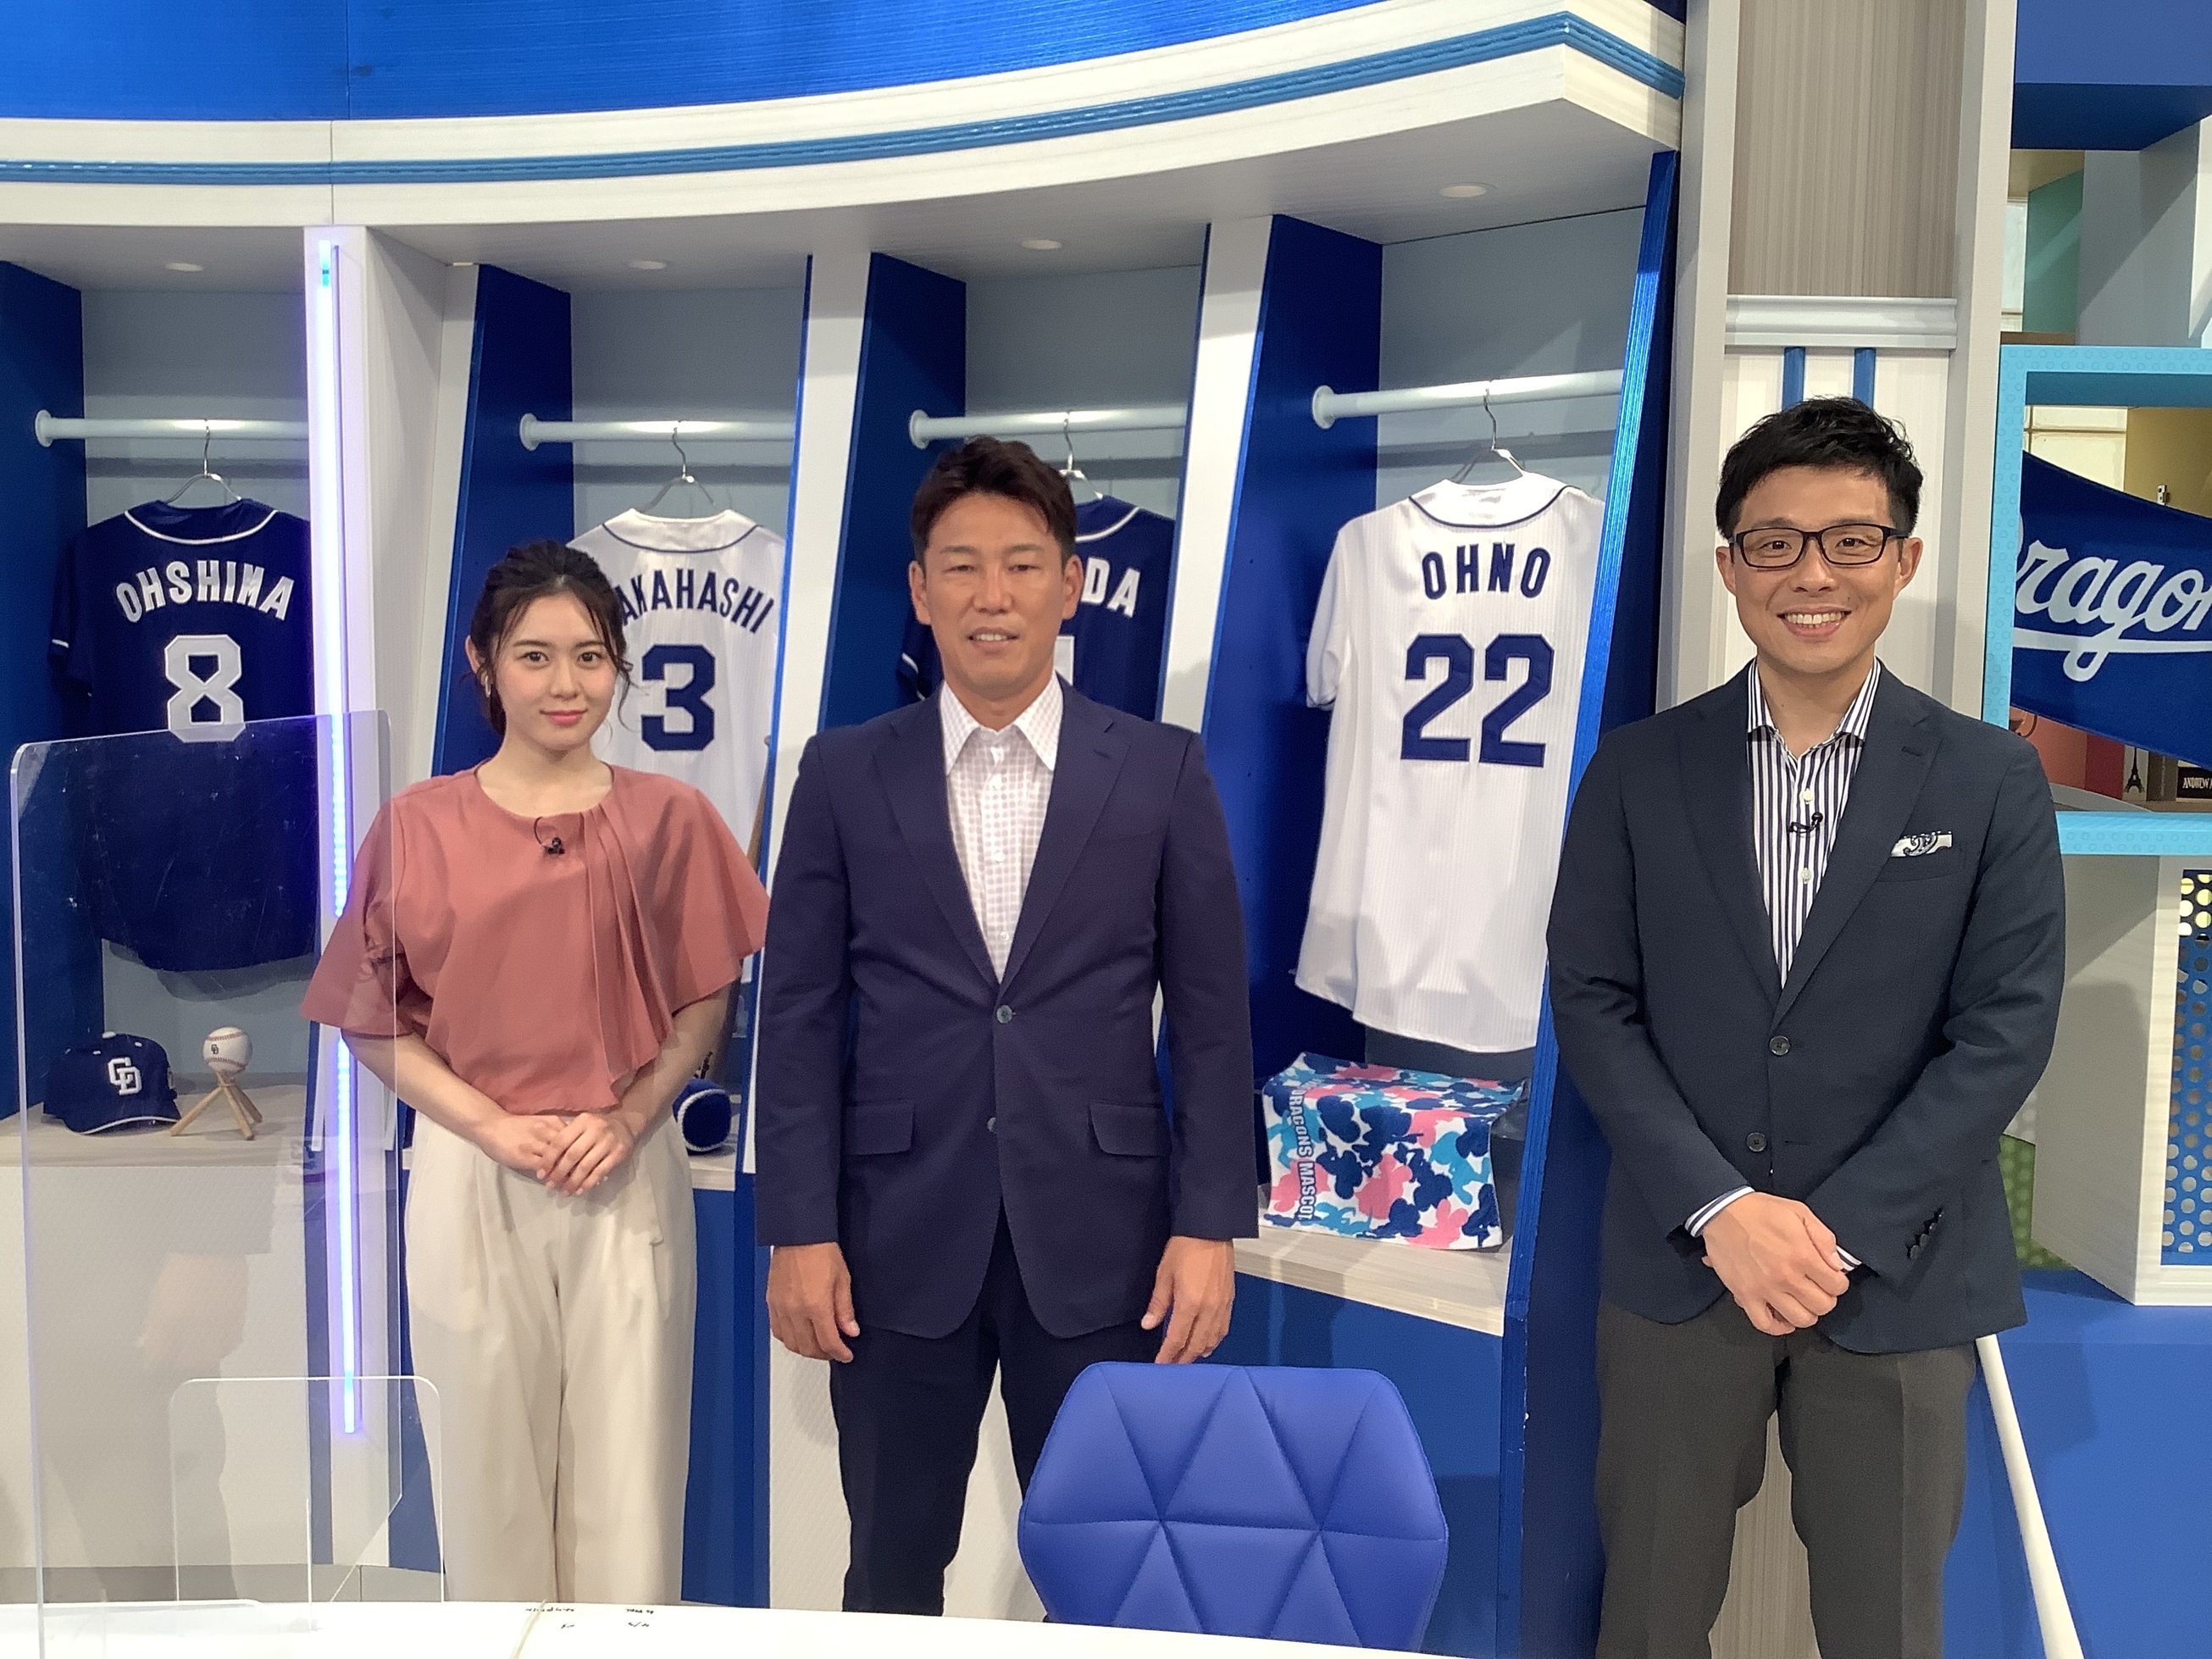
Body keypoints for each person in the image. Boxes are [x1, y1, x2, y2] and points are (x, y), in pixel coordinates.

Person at [1546, 398, 2065, 1659]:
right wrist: (1722, 1209)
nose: (1811, 574)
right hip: (1682, 1267)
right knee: (1647, 1618)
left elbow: (2003, 1028)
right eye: (1773, 543)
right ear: (1729, 565)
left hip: (1898, 1271)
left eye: (1849, 540)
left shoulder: (1987, 777)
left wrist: (1833, 1231)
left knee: (1886, 1626)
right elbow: (1592, 1000)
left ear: (1903, 558)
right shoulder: (1636, 769)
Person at [756, 437, 1256, 1615]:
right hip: (890, 1239)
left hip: (1105, 1242)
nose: (993, 594)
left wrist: (1208, 1224)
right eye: (962, 565)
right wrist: (797, 1227)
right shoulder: (841, 773)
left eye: (1023, 564)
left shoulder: (1159, 770)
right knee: (889, 1567)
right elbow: (798, 1011)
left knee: (1111, 1573)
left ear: (1070, 583)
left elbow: (1210, 1017)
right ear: (919, 589)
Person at [302, 541, 768, 1604]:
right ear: (484, 662)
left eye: (591, 656)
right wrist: (492, 1126)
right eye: (536, 655)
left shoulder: (671, 817)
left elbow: (705, 999)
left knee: (631, 1482)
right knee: (484, 1480)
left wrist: (631, 1116)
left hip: (623, 1166)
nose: (567, 683)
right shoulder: (416, 823)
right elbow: (369, 1021)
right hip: (471, 1169)